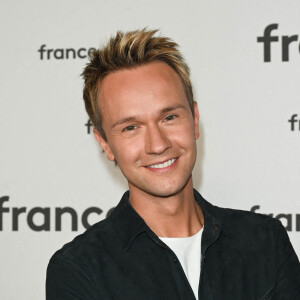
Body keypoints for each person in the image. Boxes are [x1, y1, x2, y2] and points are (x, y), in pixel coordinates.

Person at [46, 29, 300, 300]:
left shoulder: (264, 241)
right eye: (131, 127)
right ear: (105, 143)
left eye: (169, 117)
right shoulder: (80, 269)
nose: (157, 144)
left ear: (194, 118)